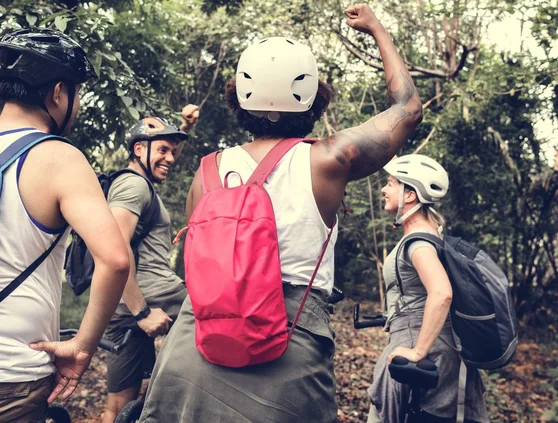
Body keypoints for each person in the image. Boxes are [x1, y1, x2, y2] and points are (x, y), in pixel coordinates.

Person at [139, 3, 423, 422]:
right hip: (287, 345)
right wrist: (377, 29)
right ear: (313, 99)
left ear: (240, 99)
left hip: (195, 343)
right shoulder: (329, 159)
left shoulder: (207, 172)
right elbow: (409, 107)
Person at [0, 28, 130, 422]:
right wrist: (83, 347)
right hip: (2, 380)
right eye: (76, 94)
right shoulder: (58, 158)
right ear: (57, 93)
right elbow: (116, 260)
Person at [367, 154, 490, 423]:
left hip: (423, 352)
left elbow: (441, 292)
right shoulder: (433, 234)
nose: (383, 190)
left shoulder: (418, 243)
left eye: (390, 183)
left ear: (410, 195)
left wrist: (418, 351)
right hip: (436, 347)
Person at [101, 107, 199, 423]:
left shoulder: (139, 182)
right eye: (163, 150)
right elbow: (115, 248)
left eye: (173, 150)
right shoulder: (134, 187)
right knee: (218, 316)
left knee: (118, 404)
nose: (170, 158)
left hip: (121, 304)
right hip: (150, 293)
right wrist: (142, 311)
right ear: (138, 149)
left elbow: (163, 151)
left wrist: (183, 127)